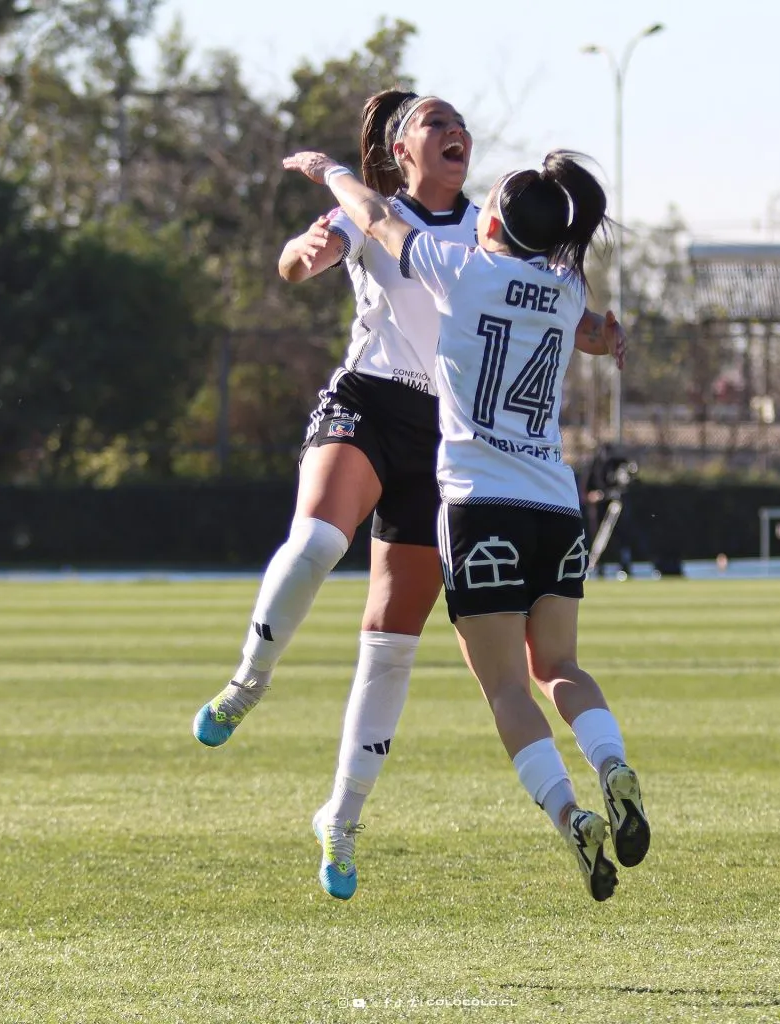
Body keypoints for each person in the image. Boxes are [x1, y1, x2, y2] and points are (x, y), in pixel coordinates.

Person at [282, 147, 647, 901]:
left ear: (488, 222)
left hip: (481, 504)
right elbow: (587, 322)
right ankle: (613, 765)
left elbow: (378, 216)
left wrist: (328, 173)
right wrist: (607, 330)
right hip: (555, 504)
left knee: (507, 688)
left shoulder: (462, 268)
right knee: (561, 670)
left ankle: (569, 815)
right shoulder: (565, 284)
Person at [191, 91, 479, 901]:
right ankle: (249, 681)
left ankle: (341, 820)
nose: (454, 130)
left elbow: (535, 294)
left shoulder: (490, 225)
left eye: (459, 122)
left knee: (391, 646)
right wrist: (305, 249)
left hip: (442, 435)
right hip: (367, 399)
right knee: (318, 540)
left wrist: (592, 322)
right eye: (434, 121)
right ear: (401, 147)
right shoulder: (372, 209)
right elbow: (298, 261)